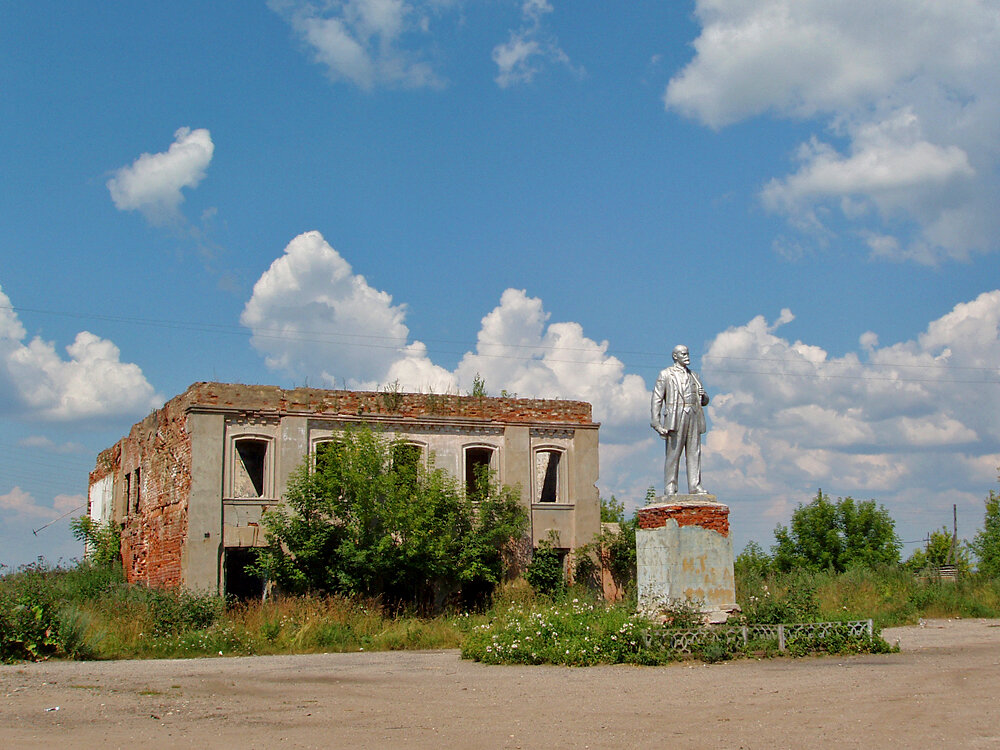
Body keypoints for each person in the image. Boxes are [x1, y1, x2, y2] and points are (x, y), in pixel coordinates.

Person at [650, 344, 710, 496]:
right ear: (675, 356)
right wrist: (656, 421)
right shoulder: (666, 374)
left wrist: (704, 396)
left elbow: (704, 400)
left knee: (694, 452)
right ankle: (670, 487)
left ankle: (695, 486)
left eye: (688, 353)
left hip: (694, 415)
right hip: (675, 417)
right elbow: (657, 398)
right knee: (673, 453)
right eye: (683, 354)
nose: (687, 356)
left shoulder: (694, 376)